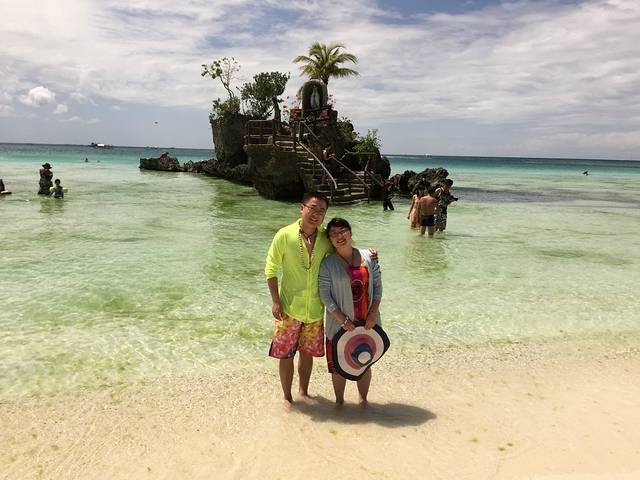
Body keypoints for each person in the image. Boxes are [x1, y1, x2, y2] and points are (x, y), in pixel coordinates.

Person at [265, 192, 333, 408]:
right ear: (301, 208)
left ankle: (303, 391)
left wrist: (368, 255)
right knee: (285, 355)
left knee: (307, 353)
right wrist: (276, 301)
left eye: (322, 210)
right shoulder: (285, 235)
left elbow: (344, 251)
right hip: (288, 308)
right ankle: (287, 397)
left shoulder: (325, 238)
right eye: (313, 208)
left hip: (315, 309)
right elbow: (270, 268)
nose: (317, 214)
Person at [319, 218, 382, 406]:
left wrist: (372, 314)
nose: (339, 236)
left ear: (350, 232)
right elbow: (325, 296)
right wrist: (342, 320)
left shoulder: (368, 257)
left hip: (367, 321)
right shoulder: (327, 264)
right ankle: (339, 403)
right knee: (338, 367)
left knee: (364, 362)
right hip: (340, 325)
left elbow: (378, 287)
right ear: (330, 240)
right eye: (333, 234)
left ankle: (363, 402)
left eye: (342, 231)